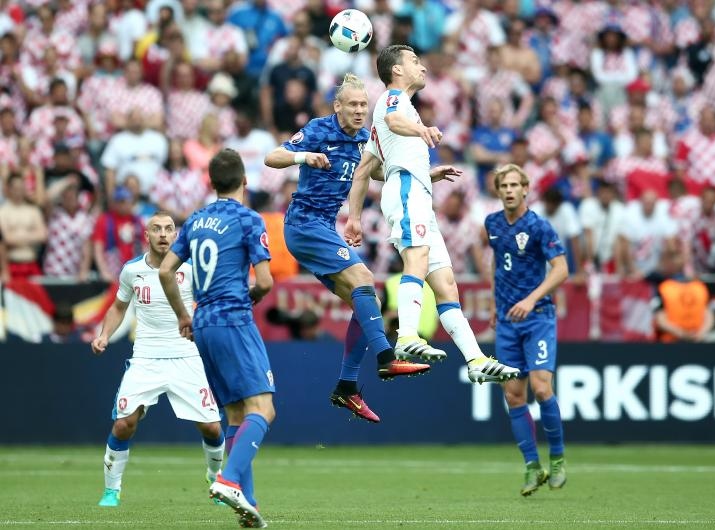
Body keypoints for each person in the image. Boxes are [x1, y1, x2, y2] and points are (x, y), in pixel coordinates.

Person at [344, 44, 519, 384]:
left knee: (446, 284)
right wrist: (422, 131)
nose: (422, 67)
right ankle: (407, 336)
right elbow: (397, 122)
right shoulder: (392, 101)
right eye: (414, 61)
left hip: (415, 189)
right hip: (408, 191)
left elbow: (365, 170)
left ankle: (476, 359)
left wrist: (354, 217)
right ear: (396, 70)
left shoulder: (390, 116)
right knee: (418, 259)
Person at [264, 73, 429, 424]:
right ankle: (387, 358)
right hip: (304, 225)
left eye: (363, 105)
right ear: (337, 106)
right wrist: (304, 158)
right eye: (352, 104)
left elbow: (372, 170)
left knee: (367, 297)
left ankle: (346, 386)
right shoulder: (318, 129)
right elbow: (272, 157)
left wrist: (425, 174)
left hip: (325, 228)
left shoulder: (364, 141)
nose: (359, 110)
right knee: (365, 277)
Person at [158, 148, 273, 528]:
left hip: (202, 322)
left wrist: (183, 316)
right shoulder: (248, 219)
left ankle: (248, 505)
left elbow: (165, 272)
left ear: (210, 183)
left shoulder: (195, 220)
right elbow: (267, 281)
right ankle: (227, 479)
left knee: (237, 414)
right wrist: (254, 293)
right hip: (233, 320)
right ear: (244, 181)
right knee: (263, 409)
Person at [90, 212, 224, 508]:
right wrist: (104, 336)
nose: (163, 234)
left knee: (212, 427)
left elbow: (211, 304)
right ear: (146, 235)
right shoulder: (132, 270)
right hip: (146, 357)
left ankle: (216, 479)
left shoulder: (192, 269)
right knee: (124, 424)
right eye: (156, 229)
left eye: (168, 229)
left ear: (176, 235)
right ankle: (112, 490)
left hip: (186, 355)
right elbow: (118, 307)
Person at [483, 164, 569, 496]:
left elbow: (561, 269)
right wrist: (493, 304)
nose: (509, 190)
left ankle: (558, 459)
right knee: (513, 395)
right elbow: (497, 261)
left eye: (514, 185)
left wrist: (532, 299)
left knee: (542, 388)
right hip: (506, 321)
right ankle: (533, 467)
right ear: (498, 189)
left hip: (538, 317)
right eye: (503, 185)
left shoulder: (539, 226)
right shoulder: (491, 224)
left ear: (525, 189)